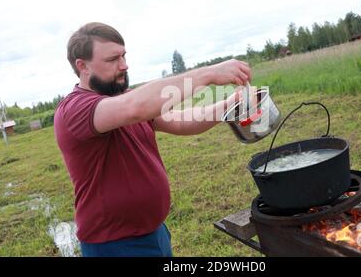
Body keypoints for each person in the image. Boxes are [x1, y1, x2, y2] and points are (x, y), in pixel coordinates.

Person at [54, 22, 251, 257]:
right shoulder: (75, 109)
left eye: (124, 56)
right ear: (82, 66)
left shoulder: (122, 99)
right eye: (112, 59)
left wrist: (228, 106)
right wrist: (208, 74)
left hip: (154, 233)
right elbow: (135, 107)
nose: (124, 65)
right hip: (114, 246)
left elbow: (179, 119)